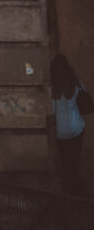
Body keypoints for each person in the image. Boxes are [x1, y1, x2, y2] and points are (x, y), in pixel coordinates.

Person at [52, 54, 87, 195]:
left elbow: (51, 111)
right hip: (77, 129)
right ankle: (78, 191)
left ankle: (68, 191)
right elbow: (84, 97)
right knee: (74, 161)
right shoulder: (75, 82)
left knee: (65, 162)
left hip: (60, 132)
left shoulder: (52, 87)